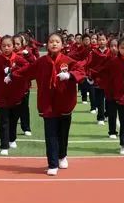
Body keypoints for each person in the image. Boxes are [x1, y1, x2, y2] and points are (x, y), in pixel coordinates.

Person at [11, 32, 85, 176]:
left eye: (57, 41)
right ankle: (52, 163)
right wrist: (12, 75)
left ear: (62, 45)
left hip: (64, 102)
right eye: (51, 41)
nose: (54, 44)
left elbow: (81, 71)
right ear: (47, 44)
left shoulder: (68, 61)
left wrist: (70, 75)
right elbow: (27, 71)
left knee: (63, 134)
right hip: (47, 103)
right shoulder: (41, 62)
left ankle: (62, 155)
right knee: (50, 134)